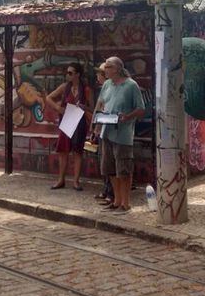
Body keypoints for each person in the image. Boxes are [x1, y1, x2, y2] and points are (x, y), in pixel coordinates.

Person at [94, 56, 145, 214]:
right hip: (106, 131)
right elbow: (101, 103)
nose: (105, 70)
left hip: (123, 133)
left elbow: (141, 109)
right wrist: (97, 124)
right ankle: (116, 200)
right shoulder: (107, 84)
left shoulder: (131, 86)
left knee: (123, 168)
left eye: (108, 67)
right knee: (109, 168)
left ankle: (126, 202)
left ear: (116, 68)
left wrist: (127, 116)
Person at [45, 62, 93, 191]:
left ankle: (76, 181)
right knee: (63, 151)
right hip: (67, 121)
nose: (68, 75)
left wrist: (85, 107)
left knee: (77, 152)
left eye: (70, 73)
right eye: (67, 72)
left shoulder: (86, 90)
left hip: (79, 122)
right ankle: (61, 179)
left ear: (78, 74)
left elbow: (92, 108)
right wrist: (57, 108)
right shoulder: (64, 87)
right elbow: (48, 98)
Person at [91, 64, 114, 205]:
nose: (97, 76)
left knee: (107, 162)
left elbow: (102, 109)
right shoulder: (105, 88)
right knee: (103, 162)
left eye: (99, 73)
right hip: (101, 129)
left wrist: (96, 128)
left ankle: (110, 192)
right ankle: (106, 189)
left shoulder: (109, 88)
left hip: (107, 129)